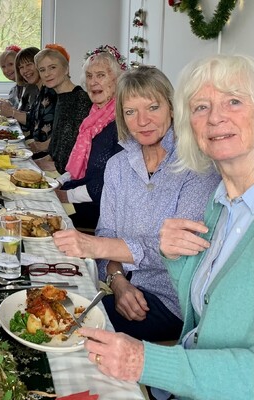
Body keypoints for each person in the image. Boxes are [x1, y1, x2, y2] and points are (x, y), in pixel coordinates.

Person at [80, 54, 254, 400]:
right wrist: (118, 279)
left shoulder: (199, 174)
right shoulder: (222, 205)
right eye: (201, 107)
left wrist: (148, 362)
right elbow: (200, 315)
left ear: (172, 113)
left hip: (175, 349)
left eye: (233, 101)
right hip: (181, 375)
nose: (216, 117)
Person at [53, 66, 220, 342]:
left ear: (171, 108)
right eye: (131, 112)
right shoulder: (118, 165)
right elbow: (106, 231)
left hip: (172, 302)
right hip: (122, 284)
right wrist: (118, 282)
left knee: (70, 330)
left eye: (153, 107)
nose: (143, 121)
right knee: (55, 304)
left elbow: (179, 251)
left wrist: (95, 246)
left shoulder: (198, 167)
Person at [54, 45, 126, 230]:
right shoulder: (93, 117)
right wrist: (59, 182)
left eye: (101, 75)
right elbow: (81, 164)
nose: (93, 82)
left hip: (98, 214)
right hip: (80, 199)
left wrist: (65, 195)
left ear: (117, 80)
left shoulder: (122, 123)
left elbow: (107, 185)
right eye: (89, 76)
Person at [33, 44, 92, 172]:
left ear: (66, 70)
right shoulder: (61, 97)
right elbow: (57, 144)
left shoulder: (80, 99)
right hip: (56, 166)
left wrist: (46, 166)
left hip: (67, 173)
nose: (47, 74)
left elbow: (75, 147)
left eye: (52, 68)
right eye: (42, 70)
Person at [0, 46, 40, 126]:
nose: (6, 70)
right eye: (3, 67)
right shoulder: (14, 89)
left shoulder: (34, 87)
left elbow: (33, 121)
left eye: (11, 64)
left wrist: (10, 111)